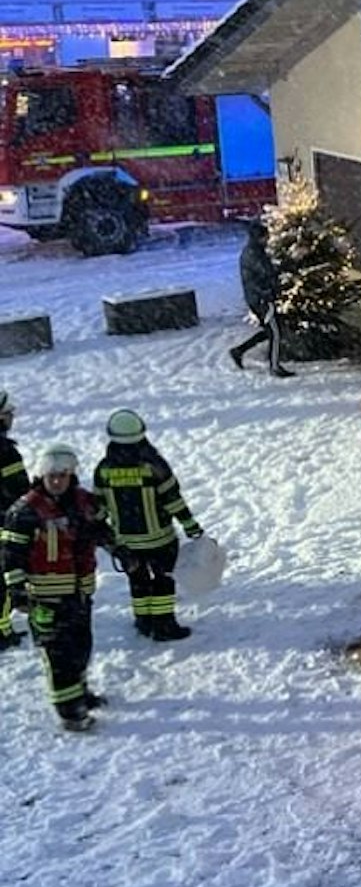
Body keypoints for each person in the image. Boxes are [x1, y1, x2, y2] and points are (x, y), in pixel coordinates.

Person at [2, 444, 113, 732]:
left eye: (62, 475)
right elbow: (11, 554)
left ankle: (79, 693)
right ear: (42, 476)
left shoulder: (84, 503)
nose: (56, 481)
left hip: (79, 594)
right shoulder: (25, 511)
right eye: (51, 475)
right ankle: (70, 712)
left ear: (71, 475)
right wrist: (17, 590)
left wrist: (122, 551)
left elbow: (101, 531)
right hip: (44, 598)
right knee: (57, 654)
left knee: (80, 648)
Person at [93, 409, 205, 642]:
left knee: (138, 580)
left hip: (126, 541)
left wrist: (104, 535)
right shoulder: (154, 465)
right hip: (160, 538)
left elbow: (98, 507)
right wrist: (190, 526)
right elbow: (173, 500)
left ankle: (143, 621)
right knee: (163, 580)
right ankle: (164, 625)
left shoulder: (103, 469)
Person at [229, 220, 294, 378]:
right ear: (259, 237)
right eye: (266, 237)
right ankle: (274, 366)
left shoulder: (254, 251)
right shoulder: (254, 254)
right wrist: (286, 266)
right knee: (275, 332)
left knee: (270, 331)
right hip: (262, 299)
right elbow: (267, 272)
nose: (268, 239)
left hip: (258, 297)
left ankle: (239, 351)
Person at [0, 390, 27, 649]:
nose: (12, 417)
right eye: (8, 413)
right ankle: (2, 632)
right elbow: (19, 493)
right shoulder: (6, 452)